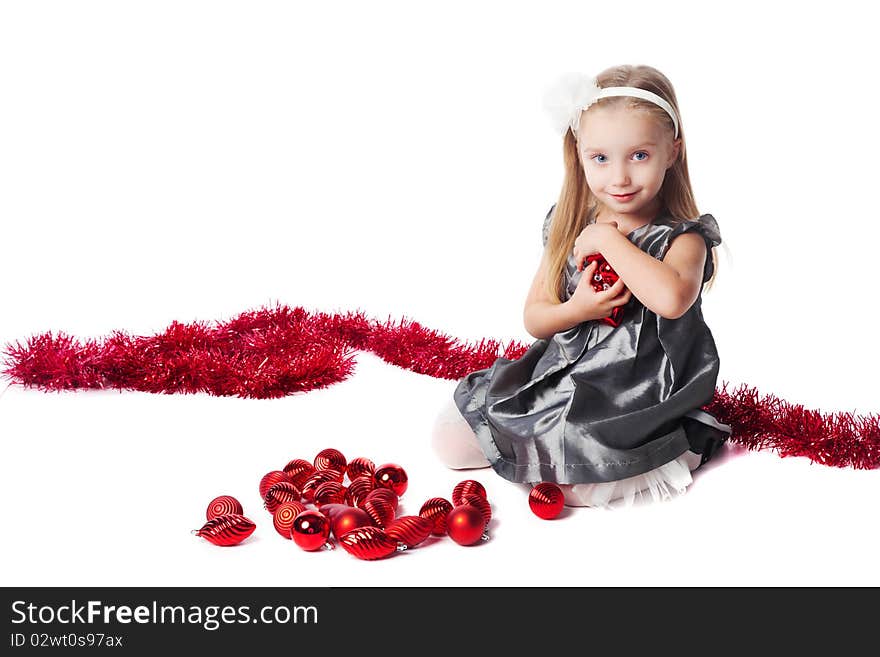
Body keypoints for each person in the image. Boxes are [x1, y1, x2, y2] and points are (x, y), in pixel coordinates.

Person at [431, 64, 732, 509]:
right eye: (601, 158)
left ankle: (667, 448)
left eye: (640, 155)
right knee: (451, 443)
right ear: (580, 155)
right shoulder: (570, 223)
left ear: (673, 151)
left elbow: (670, 300)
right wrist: (580, 309)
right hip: (567, 374)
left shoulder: (683, 238)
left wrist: (609, 240)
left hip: (638, 389)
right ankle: (552, 445)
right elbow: (536, 317)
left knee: (578, 481)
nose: (620, 178)